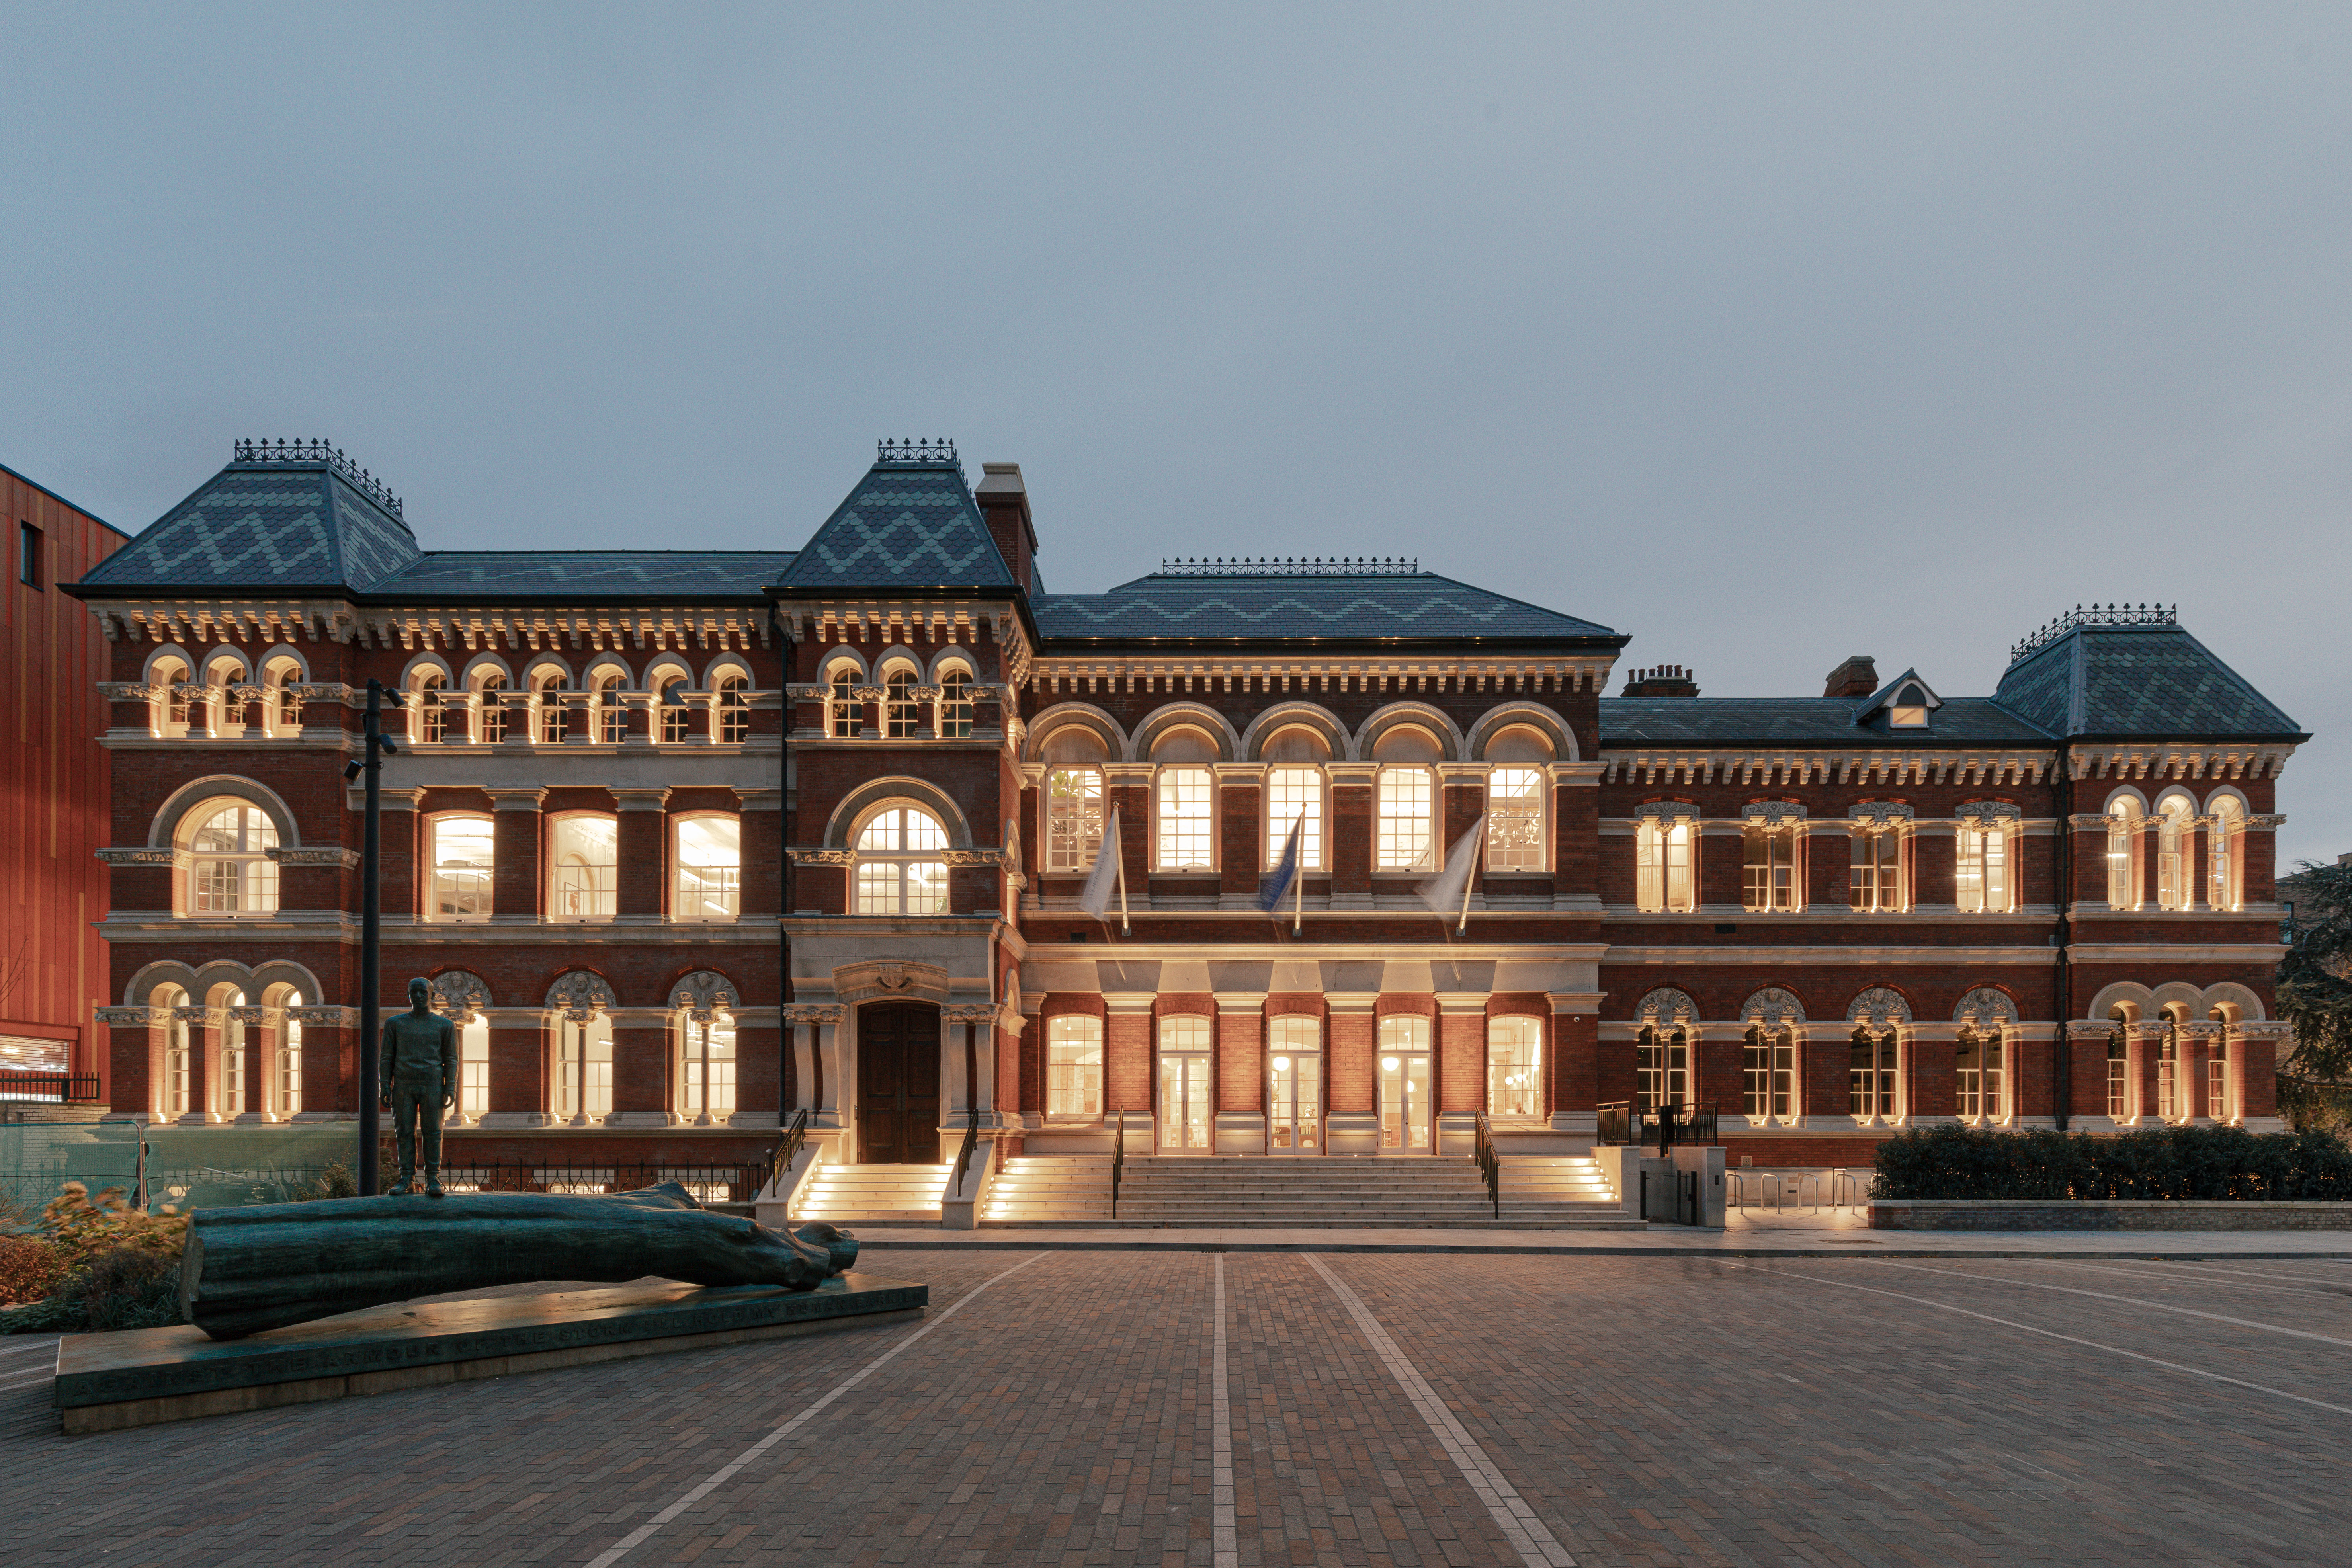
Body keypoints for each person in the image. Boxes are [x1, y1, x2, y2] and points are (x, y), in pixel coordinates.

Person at [380, 976, 458, 1196]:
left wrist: (450, 1087)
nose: (419, 996)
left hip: (432, 1084)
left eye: (424, 992)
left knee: (433, 1132)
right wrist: (384, 1085)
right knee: (404, 1132)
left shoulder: (445, 1025)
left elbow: (451, 1059)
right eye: (414, 992)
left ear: (432, 996)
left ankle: (433, 1178)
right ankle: (407, 1178)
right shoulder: (395, 1024)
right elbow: (386, 1057)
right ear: (408, 996)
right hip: (403, 1084)